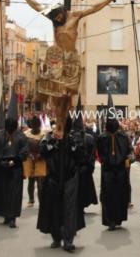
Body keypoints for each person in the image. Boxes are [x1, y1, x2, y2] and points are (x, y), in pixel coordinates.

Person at [11, 0, 125, 138]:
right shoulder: (53, 17)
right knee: (57, 95)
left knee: (67, 96)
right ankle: (58, 126)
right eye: (55, 19)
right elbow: (36, 6)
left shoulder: (75, 16)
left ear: (64, 12)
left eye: (59, 17)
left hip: (71, 60)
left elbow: (95, 8)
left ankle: (62, 125)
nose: (57, 20)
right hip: (56, 59)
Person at [37, 100, 86, 252]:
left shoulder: (74, 138)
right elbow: (43, 151)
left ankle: (68, 240)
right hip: (52, 178)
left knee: (69, 210)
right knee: (53, 208)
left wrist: (71, 145)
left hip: (70, 178)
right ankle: (56, 237)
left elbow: (81, 156)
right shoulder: (50, 137)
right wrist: (54, 141)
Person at [0, 90, 28, 228]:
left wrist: (16, 160)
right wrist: (0, 161)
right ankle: (5, 215)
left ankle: (13, 216)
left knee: (14, 194)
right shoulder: (0, 135)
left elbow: (24, 151)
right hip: (2, 168)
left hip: (15, 169)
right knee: (4, 193)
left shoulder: (21, 136)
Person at [97, 92, 132, 230]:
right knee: (108, 196)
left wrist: (128, 160)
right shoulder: (102, 137)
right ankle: (110, 220)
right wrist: (105, 162)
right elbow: (99, 154)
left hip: (121, 172)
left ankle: (118, 218)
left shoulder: (123, 136)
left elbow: (129, 151)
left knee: (119, 195)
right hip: (107, 172)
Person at [23, 115, 46, 207]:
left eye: (37, 125)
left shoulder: (44, 134)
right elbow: (24, 147)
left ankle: (41, 200)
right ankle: (31, 199)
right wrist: (30, 154)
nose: (36, 127)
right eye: (34, 125)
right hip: (30, 159)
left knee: (40, 182)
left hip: (40, 159)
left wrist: (40, 154)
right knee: (31, 180)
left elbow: (46, 147)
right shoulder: (26, 134)